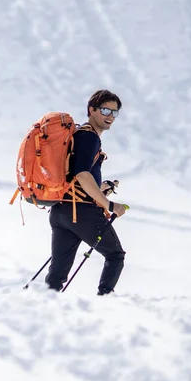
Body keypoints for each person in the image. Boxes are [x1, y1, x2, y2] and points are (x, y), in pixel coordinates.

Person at [45, 90, 128, 294]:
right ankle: (104, 302)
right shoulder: (89, 137)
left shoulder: (78, 135)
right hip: (81, 213)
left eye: (114, 113)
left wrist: (101, 188)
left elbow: (74, 177)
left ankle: (42, 307)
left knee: (57, 275)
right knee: (115, 255)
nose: (110, 116)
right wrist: (108, 205)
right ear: (92, 110)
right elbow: (82, 174)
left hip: (61, 211)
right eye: (105, 110)